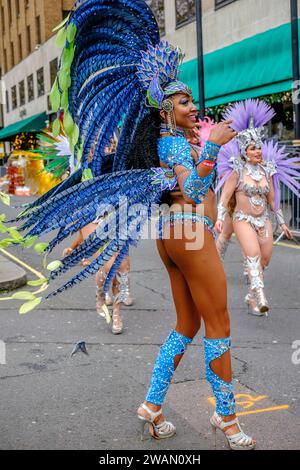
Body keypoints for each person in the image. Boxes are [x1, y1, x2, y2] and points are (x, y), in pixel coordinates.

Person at [9, 0, 259, 450]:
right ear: (165, 110)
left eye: (191, 101)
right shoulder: (180, 146)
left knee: (187, 324)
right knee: (218, 325)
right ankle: (227, 419)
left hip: (170, 235)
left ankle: (152, 405)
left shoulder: (163, 142)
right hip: (190, 232)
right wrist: (213, 148)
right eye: (184, 102)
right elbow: (195, 188)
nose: (193, 107)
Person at [215, 100, 299, 316]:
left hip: (264, 221)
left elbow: (273, 201)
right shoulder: (237, 171)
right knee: (252, 254)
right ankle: (260, 296)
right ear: (244, 152)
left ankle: (251, 294)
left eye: (259, 147)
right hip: (242, 219)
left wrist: (281, 221)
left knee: (264, 259)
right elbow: (224, 198)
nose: (258, 151)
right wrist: (219, 217)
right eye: (253, 148)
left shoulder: (267, 171)